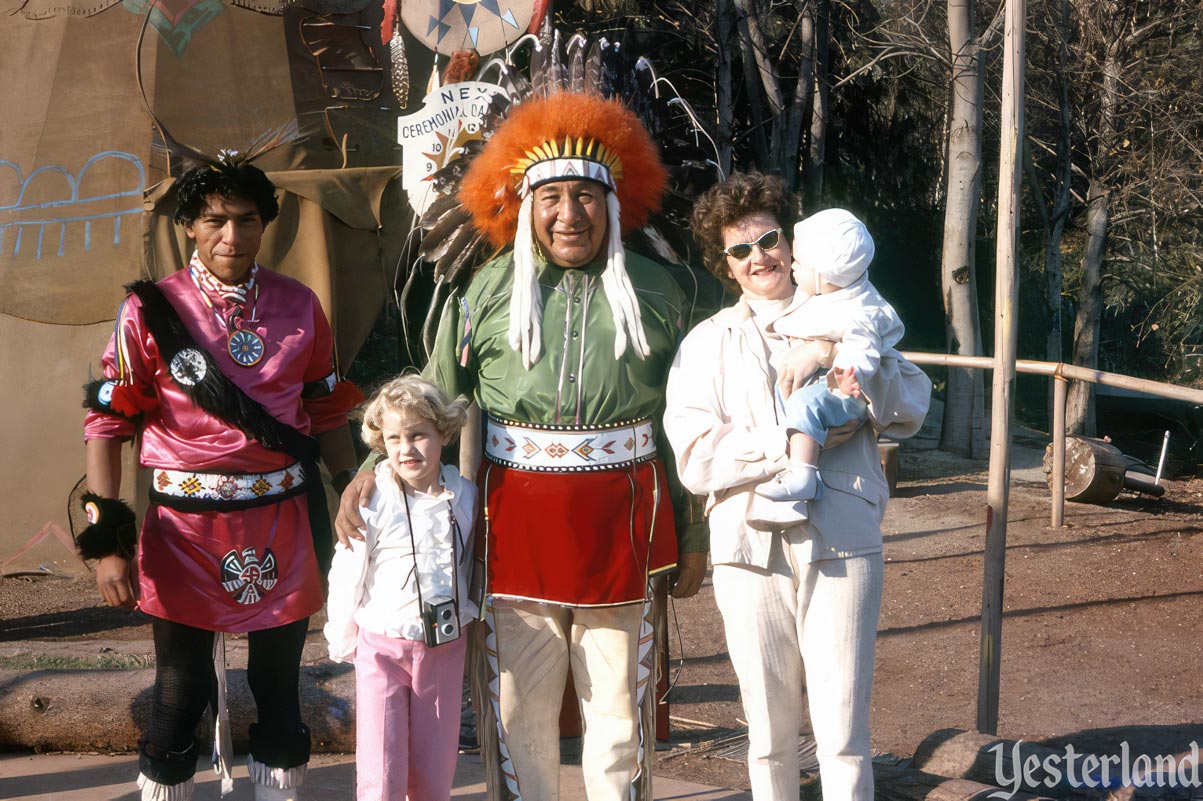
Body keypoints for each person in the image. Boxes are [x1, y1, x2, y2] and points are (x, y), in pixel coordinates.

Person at [337, 91, 708, 801]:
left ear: (614, 204)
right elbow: (432, 398)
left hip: (624, 521)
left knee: (618, 705)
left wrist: (693, 535)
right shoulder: (486, 289)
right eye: (552, 197)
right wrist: (372, 467)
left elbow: (682, 422)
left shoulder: (661, 294)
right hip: (514, 524)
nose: (569, 214)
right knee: (516, 702)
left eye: (586, 197)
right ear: (525, 203)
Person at [80, 159, 361, 801]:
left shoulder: (298, 305)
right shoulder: (148, 312)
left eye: (247, 221)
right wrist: (108, 543)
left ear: (265, 226)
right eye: (215, 221)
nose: (231, 236)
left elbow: (325, 409)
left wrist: (351, 485)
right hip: (182, 530)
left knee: (278, 685)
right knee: (180, 689)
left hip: (282, 522)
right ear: (189, 227)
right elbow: (107, 424)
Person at [662, 172, 929, 801]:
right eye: (740, 249)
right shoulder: (706, 344)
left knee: (841, 732)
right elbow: (697, 460)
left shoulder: (854, 311)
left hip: (840, 539)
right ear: (724, 264)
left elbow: (912, 403)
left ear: (793, 241)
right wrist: (786, 444)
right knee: (768, 734)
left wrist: (855, 391)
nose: (760, 257)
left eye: (770, 239)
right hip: (746, 547)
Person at [324, 375, 476, 801]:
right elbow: (348, 568)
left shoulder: (464, 495)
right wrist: (342, 636)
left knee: (435, 760)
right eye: (394, 438)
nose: (406, 449)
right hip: (382, 645)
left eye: (418, 436)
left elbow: (468, 562)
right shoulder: (372, 497)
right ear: (381, 443)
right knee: (381, 759)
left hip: (443, 646)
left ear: (443, 434)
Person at [747, 208, 907, 529]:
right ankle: (798, 488)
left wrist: (842, 370)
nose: (793, 265)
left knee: (804, 404)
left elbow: (862, 350)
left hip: (842, 392)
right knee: (792, 400)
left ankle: (804, 476)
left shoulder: (861, 309)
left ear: (825, 275)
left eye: (801, 264)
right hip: (821, 389)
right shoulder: (827, 294)